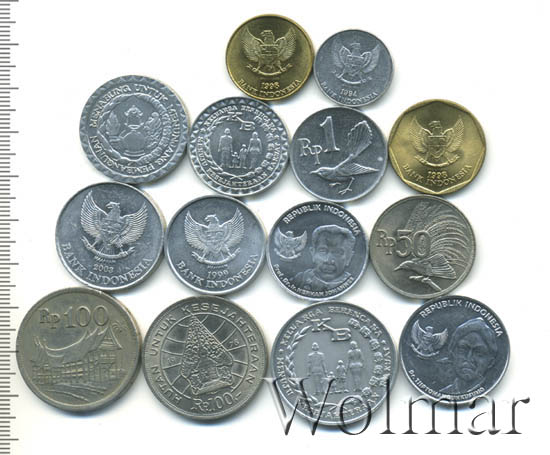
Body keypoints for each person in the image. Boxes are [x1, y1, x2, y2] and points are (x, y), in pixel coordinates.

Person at [440, 318, 498, 394]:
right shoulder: (443, 393)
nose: (469, 358)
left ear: (490, 362)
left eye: (479, 353)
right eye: (463, 350)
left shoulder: (496, 392)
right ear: (452, 354)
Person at [291, 225, 355, 292]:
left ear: (349, 257)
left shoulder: (354, 288)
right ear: (313, 253)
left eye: (337, 252)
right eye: (323, 251)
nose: (328, 260)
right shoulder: (300, 280)